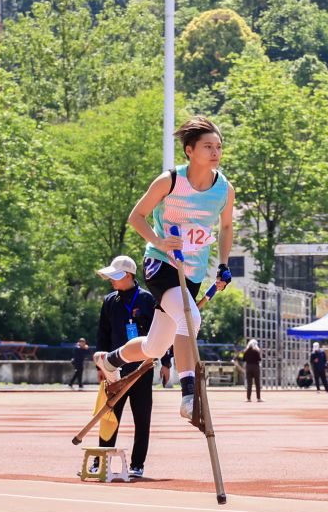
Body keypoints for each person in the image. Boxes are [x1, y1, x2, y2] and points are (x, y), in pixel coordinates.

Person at [92, 116, 235, 421]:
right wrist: (159, 240)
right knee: (189, 317)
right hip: (161, 263)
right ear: (189, 150)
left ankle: (112, 360)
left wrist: (223, 265)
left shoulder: (224, 189)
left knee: (156, 347)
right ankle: (188, 396)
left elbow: (225, 227)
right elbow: (136, 216)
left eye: (219, 147)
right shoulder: (169, 181)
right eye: (208, 146)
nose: (215, 152)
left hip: (192, 272)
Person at [93, 256, 170, 479]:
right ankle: (101, 462)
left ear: (127, 275)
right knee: (109, 416)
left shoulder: (148, 300)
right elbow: (103, 334)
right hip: (114, 370)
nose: (111, 280)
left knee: (142, 418)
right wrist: (101, 367)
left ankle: (138, 464)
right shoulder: (110, 301)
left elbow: (163, 333)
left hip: (142, 368)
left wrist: (166, 362)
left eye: (114, 276)